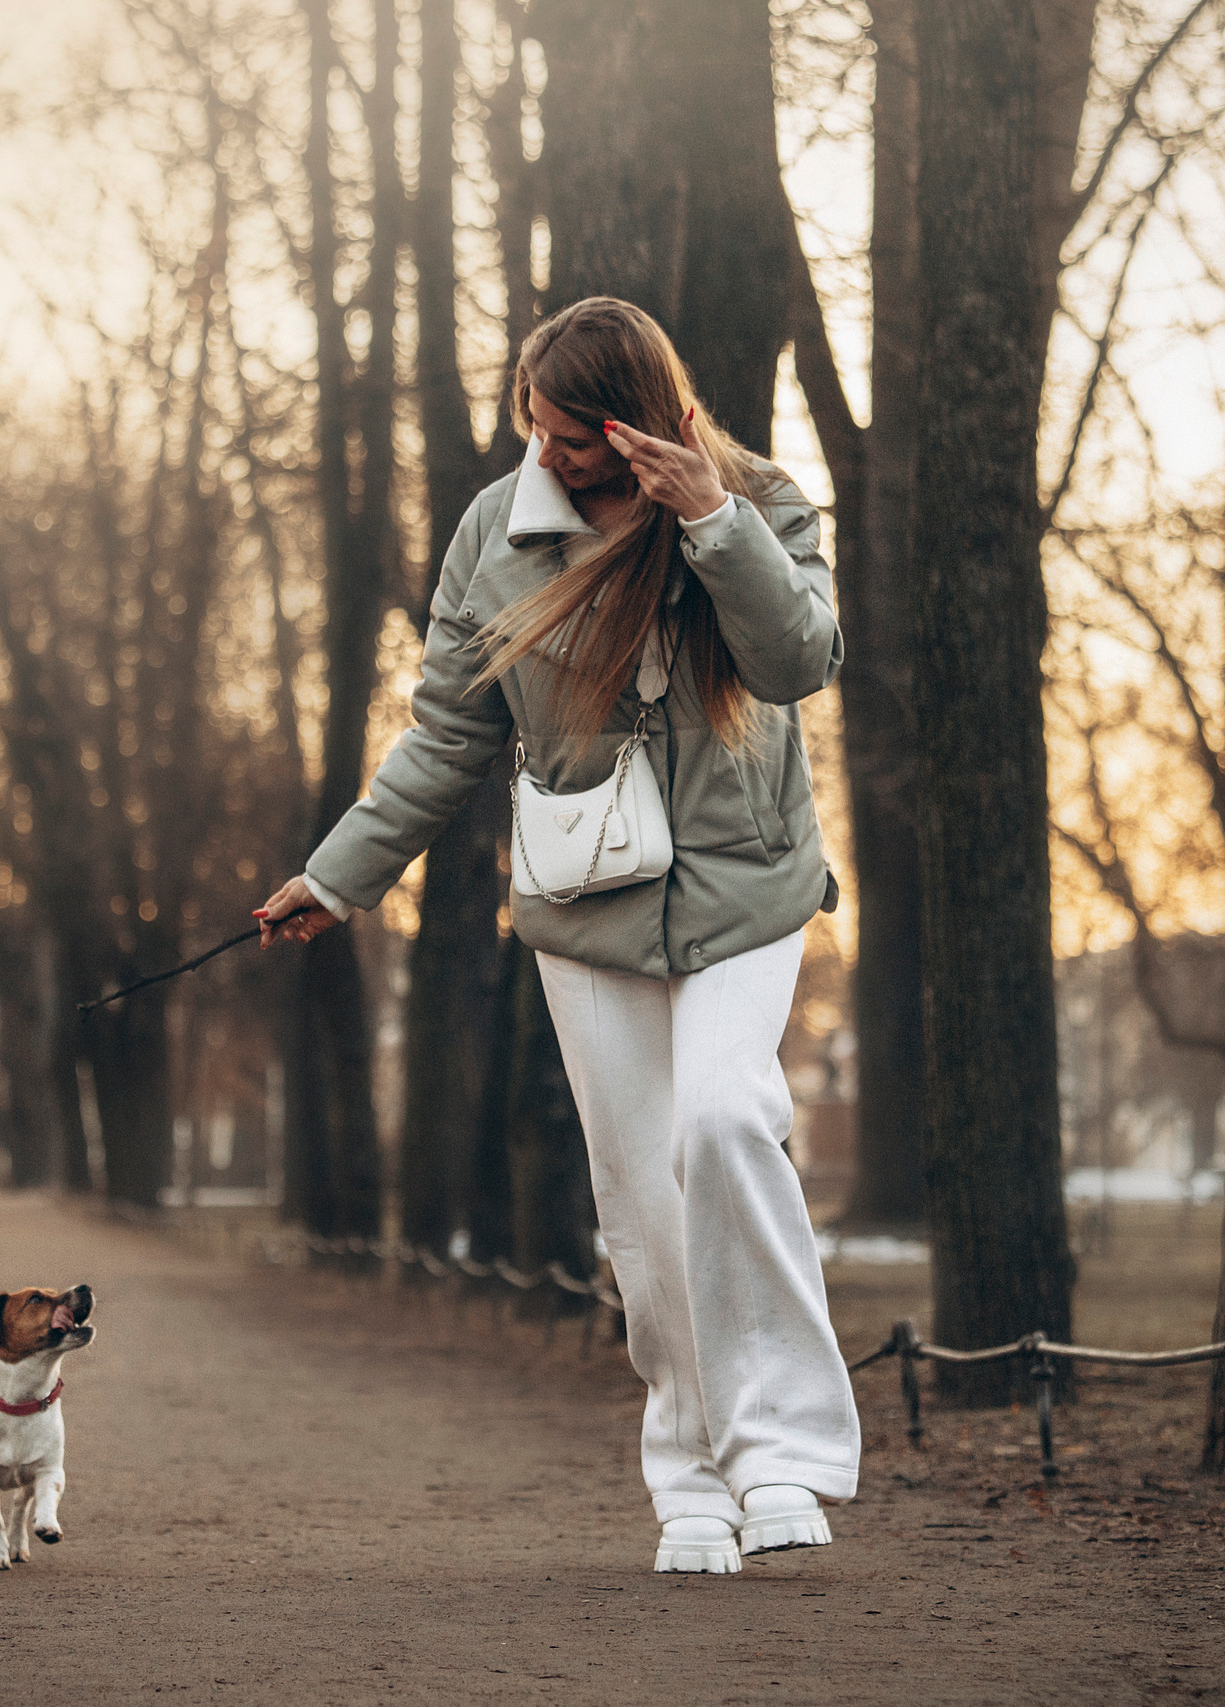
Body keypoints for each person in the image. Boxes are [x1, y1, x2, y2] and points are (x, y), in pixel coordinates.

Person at [256, 296, 859, 1574]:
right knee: (641, 1194)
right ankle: (691, 1473)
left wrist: (709, 518)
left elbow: (798, 659)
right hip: (586, 901)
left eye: (573, 436)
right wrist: (336, 878)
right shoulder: (498, 528)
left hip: (747, 886)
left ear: (635, 420)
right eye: (534, 426)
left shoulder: (759, 498)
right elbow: (447, 732)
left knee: (722, 1120)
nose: (549, 454)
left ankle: (786, 1452)